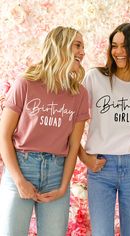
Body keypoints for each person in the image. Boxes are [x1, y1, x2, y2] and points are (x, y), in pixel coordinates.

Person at [0, 26, 90, 236]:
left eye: (83, 47)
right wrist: (19, 180)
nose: (82, 52)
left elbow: (74, 145)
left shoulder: (80, 94)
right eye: (77, 45)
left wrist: (62, 187)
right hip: (21, 167)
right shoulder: (26, 83)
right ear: (60, 47)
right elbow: (3, 136)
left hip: (57, 174)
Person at [78, 22, 130, 236]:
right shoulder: (95, 78)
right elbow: (73, 119)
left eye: (125, 46)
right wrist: (84, 158)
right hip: (100, 166)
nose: (118, 52)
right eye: (114, 45)